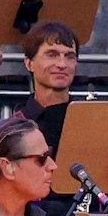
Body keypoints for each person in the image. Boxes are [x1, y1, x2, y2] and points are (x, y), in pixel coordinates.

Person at [18, 21, 80, 153]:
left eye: (70, 57)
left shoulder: (91, 120)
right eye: (52, 55)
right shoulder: (13, 129)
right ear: (29, 64)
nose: (62, 64)